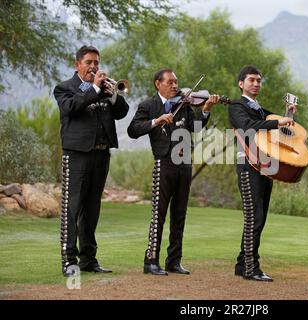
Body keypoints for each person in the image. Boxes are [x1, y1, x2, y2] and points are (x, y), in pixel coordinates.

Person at [128, 68, 219, 276]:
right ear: (157, 84)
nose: (175, 86)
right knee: (158, 215)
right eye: (170, 82)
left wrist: (205, 110)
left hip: (185, 164)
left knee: (179, 214)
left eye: (176, 82)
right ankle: (150, 261)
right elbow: (133, 130)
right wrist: (157, 121)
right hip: (164, 163)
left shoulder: (184, 105)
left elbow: (195, 127)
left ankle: (174, 261)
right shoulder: (148, 106)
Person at [54, 45, 130, 276]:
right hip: (77, 154)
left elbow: (122, 112)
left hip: (101, 153)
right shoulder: (65, 88)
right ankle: (69, 261)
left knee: (92, 209)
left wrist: (113, 93)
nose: (93, 66)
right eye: (88, 62)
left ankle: (89, 259)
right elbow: (72, 108)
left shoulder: (105, 90)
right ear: (77, 64)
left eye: (96, 62)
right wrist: (95, 88)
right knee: (72, 208)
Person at [228, 65, 295, 282]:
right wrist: (277, 121)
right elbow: (247, 126)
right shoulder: (236, 105)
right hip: (248, 166)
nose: (256, 84)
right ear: (241, 84)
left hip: (265, 166)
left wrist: (288, 114)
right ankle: (250, 267)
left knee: (260, 217)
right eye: (251, 80)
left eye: (258, 80)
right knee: (253, 218)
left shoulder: (261, 109)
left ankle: (242, 264)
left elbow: (280, 132)